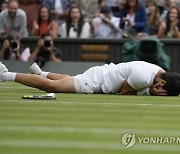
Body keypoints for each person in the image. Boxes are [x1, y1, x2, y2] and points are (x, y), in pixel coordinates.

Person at [1, 61, 180, 96]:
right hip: (96, 82)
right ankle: (5, 75)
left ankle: (41, 74)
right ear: (162, 83)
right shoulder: (143, 78)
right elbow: (124, 92)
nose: (162, 93)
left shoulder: (159, 71)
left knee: (69, 79)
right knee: (52, 87)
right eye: (165, 91)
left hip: (102, 72)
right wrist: (148, 92)